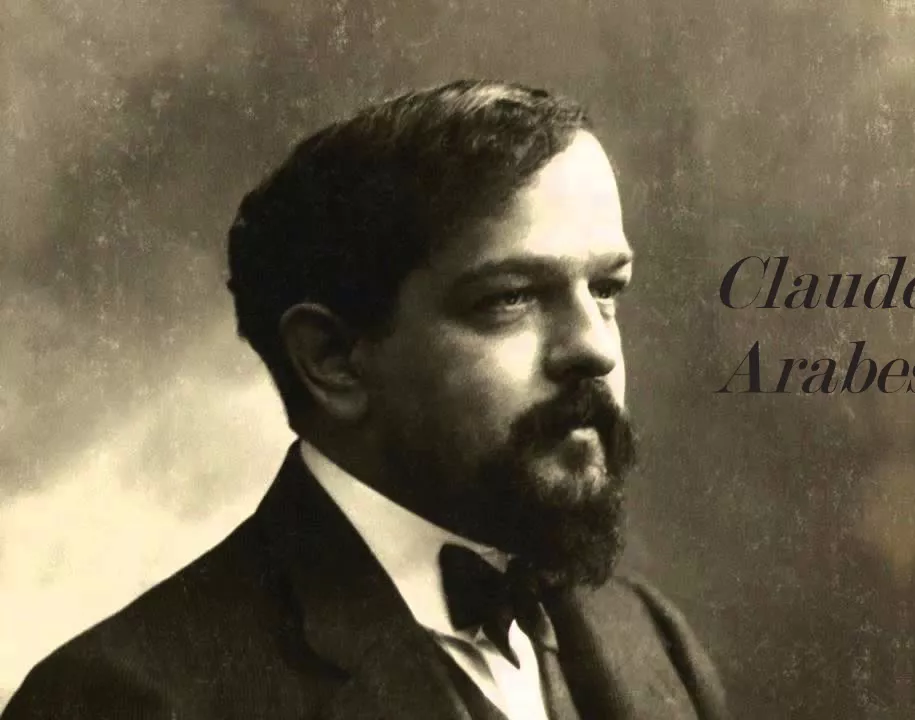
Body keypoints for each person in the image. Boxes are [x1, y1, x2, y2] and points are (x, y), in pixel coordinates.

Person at [3, 79, 727, 720]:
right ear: (332, 360)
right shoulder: (127, 700)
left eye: (606, 290)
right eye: (510, 298)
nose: (595, 348)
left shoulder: (648, 637)